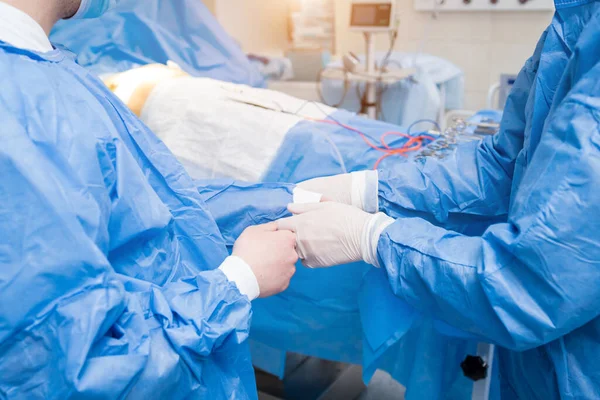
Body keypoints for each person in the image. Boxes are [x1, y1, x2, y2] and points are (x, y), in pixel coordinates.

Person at [0, 0, 322, 398]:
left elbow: (153, 206)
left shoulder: (46, 68)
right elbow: (74, 367)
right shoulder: (17, 102)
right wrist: (236, 283)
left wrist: (298, 196)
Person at [278, 0, 600, 398]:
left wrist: (373, 237)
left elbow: (528, 287)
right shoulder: (575, 22)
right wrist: (369, 189)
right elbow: (502, 162)